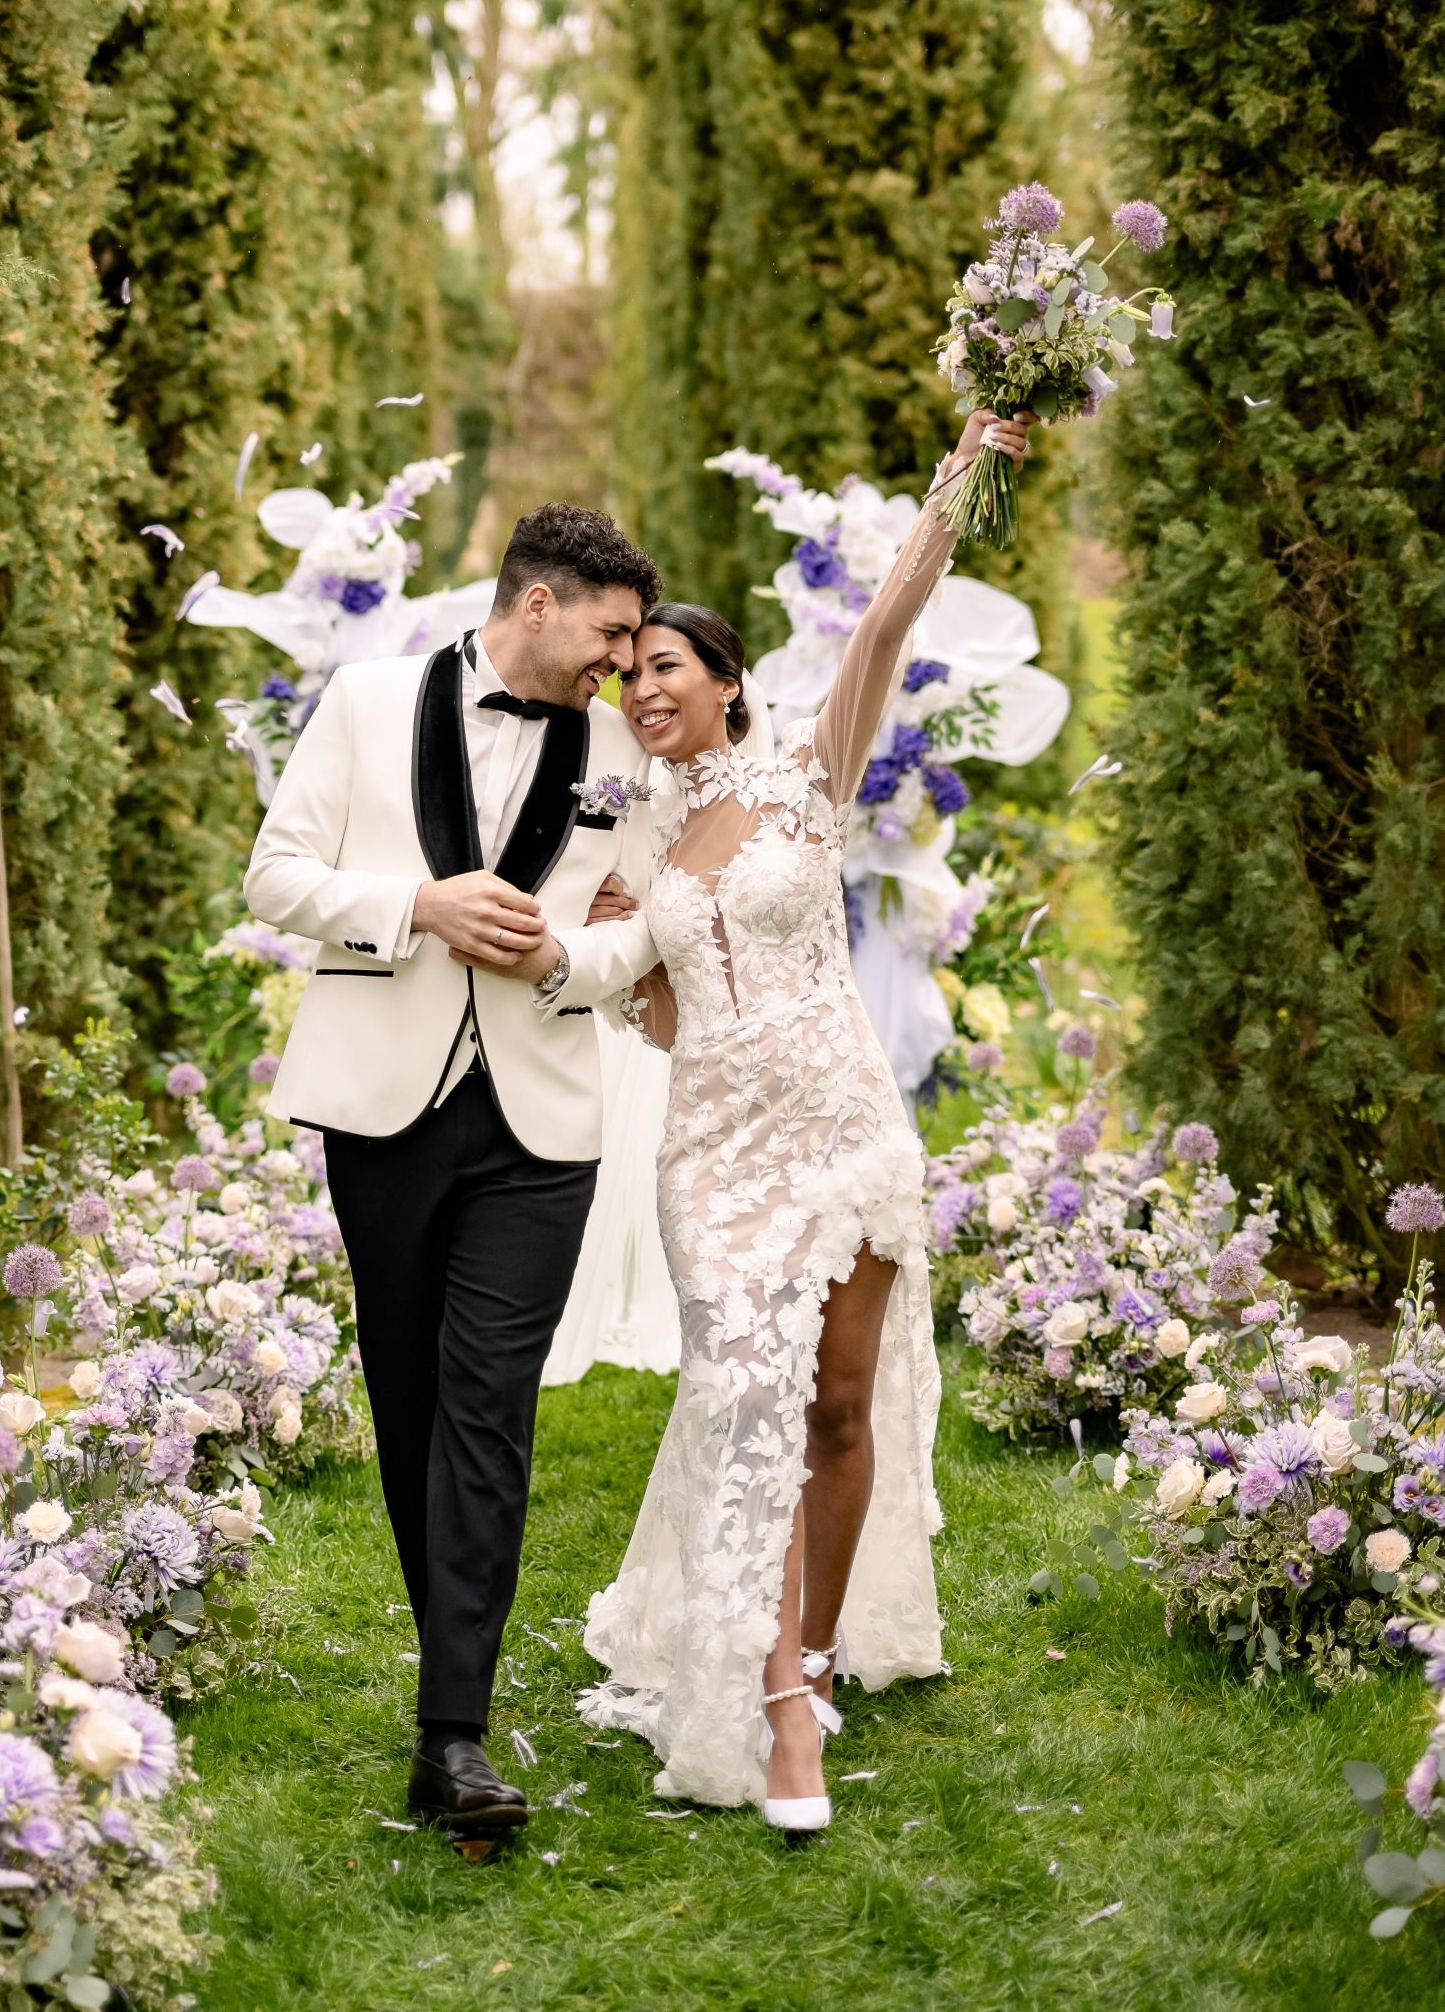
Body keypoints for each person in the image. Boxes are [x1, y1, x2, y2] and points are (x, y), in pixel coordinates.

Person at [569, 409, 1034, 1828]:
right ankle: (778, 1716)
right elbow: (654, 1017)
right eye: (625, 674)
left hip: (843, 1132)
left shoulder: (807, 784)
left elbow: (888, 623)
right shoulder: (634, 840)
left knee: (837, 1405)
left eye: (661, 667)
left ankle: (816, 1652)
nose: (639, 689)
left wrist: (966, 476)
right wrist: (612, 963)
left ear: (723, 683)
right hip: (712, 1152)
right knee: (745, 1398)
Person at [242, 503, 662, 1840]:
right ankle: (456, 1677)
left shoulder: (618, 750)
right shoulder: (368, 702)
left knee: (489, 1407)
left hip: (542, 1124)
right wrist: (414, 907)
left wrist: (588, 942)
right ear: (537, 604)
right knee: (411, 1395)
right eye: (609, 632)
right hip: (385, 1105)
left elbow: (649, 916)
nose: (621, 660)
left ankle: (453, 1739)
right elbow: (275, 875)